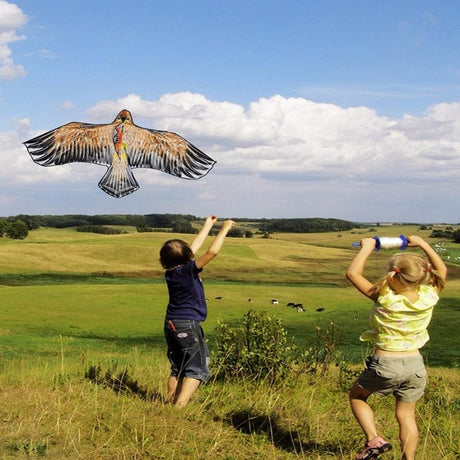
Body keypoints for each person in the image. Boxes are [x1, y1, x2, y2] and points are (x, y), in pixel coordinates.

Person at [346, 235, 447, 460]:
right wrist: (423, 244)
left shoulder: (384, 297)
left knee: (357, 396)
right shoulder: (429, 296)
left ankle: (374, 439)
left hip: (386, 362)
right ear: (423, 277)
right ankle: (408, 458)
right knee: (406, 415)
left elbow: (353, 274)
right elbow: (442, 271)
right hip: (415, 365)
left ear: (393, 275)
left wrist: (367, 248)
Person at [160, 215, 235, 407]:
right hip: (187, 324)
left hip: (171, 323)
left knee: (179, 366)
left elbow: (192, 249)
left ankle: (170, 401)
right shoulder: (187, 271)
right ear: (187, 257)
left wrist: (207, 225)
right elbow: (211, 252)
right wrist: (225, 228)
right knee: (197, 369)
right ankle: (179, 407)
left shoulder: (171, 272)